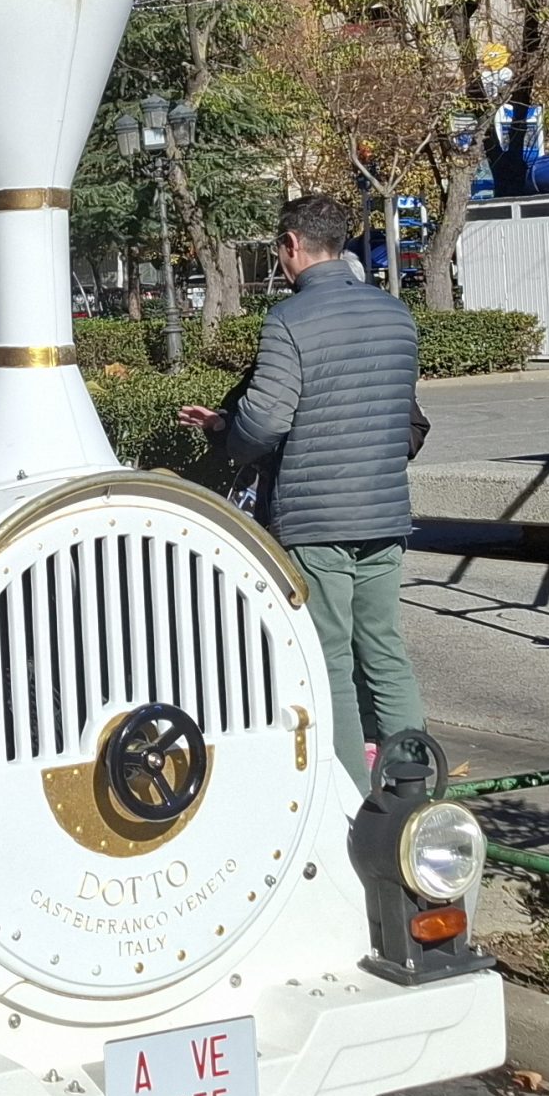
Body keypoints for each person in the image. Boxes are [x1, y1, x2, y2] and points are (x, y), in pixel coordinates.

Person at [178, 194, 424, 785]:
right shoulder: (397, 315)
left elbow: (264, 423)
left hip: (315, 519)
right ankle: (416, 787)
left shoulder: (288, 320)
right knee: (386, 652)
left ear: (292, 245)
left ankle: (352, 796)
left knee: (330, 659)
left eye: (279, 250)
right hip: (386, 511)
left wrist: (224, 434)